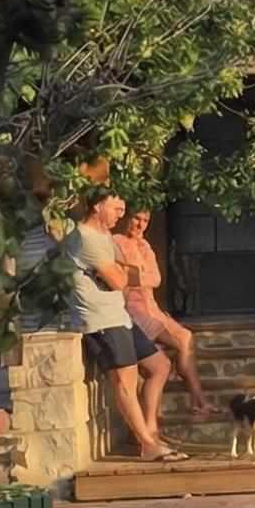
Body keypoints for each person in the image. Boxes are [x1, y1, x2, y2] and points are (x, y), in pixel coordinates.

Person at [64, 192, 179, 461]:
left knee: (159, 365)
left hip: (120, 315)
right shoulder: (84, 239)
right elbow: (118, 280)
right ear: (97, 206)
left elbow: (123, 270)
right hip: (101, 319)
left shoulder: (104, 235)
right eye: (116, 208)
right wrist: (128, 273)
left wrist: (123, 271)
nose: (120, 214)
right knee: (125, 380)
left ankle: (150, 430)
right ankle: (147, 445)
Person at [113, 205, 207, 428]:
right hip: (132, 311)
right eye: (136, 218)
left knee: (185, 337)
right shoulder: (115, 241)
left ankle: (198, 400)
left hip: (151, 307)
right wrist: (136, 275)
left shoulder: (144, 245)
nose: (140, 225)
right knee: (167, 355)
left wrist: (136, 274)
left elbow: (156, 279)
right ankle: (153, 425)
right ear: (126, 218)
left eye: (145, 221)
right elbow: (123, 277)